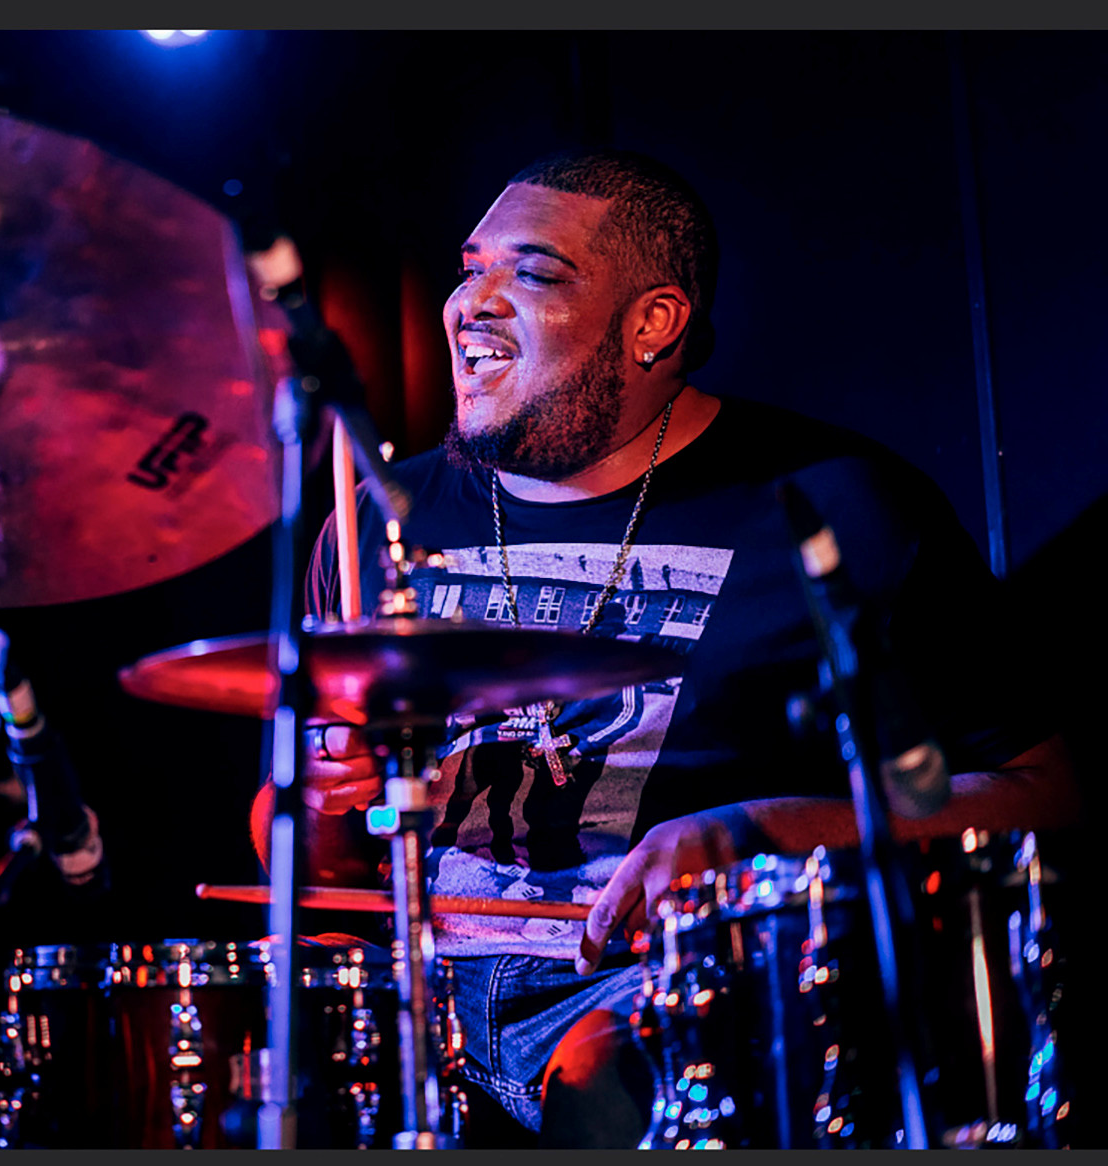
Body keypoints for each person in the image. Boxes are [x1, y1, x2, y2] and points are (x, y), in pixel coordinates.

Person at [249, 148, 1079, 1148]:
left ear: (654, 322)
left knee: (615, 1081)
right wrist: (329, 795)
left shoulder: (836, 507)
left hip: (672, 992)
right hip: (416, 994)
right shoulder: (377, 517)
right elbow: (303, 850)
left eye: (535, 274)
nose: (474, 302)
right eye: (472, 268)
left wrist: (763, 828)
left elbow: (1046, 795)